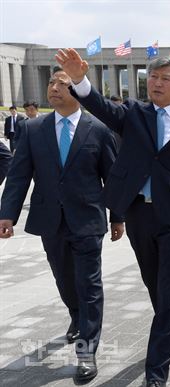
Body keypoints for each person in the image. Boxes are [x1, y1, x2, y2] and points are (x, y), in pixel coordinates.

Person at [56, 48, 170, 387]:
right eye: (152, 77)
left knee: (168, 294)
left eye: (165, 78)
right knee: (154, 284)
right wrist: (80, 80)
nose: (156, 83)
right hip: (139, 213)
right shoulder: (133, 114)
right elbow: (100, 105)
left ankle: (156, 373)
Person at [0, 67, 123, 384]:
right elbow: (18, 176)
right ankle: (76, 315)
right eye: (51, 82)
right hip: (49, 220)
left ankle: (87, 352)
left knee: (89, 285)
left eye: (62, 83)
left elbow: (112, 178)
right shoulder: (33, 129)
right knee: (65, 280)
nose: (53, 87)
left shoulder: (98, 129)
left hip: (87, 220)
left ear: (78, 91)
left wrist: (118, 216)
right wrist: (7, 214)